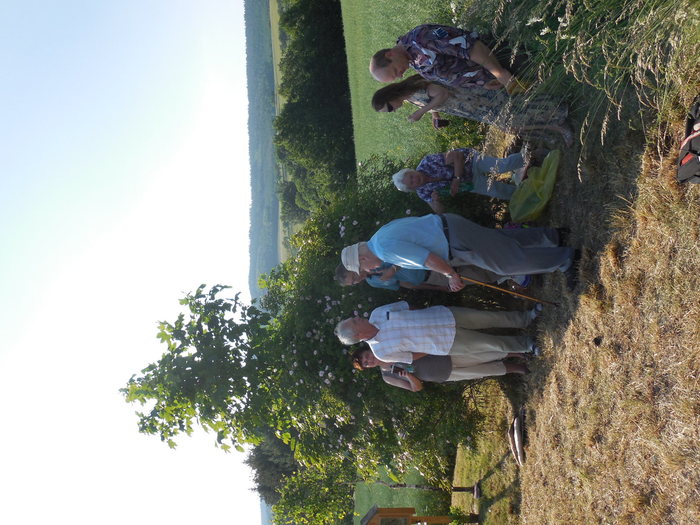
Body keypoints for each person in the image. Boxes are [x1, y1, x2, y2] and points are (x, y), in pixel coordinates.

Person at [340, 213, 573, 292]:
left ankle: (567, 259)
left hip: (454, 240)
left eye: (364, 268)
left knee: (506, 264)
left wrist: (451, 275)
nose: (369, 270)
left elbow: (428, 259)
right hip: (449, 227)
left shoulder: (384, 249)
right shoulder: (379, 236)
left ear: (362, 258)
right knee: (502, 240)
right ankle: (552, 236)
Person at [336, 301, 542, 390]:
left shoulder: (378, 313)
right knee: (491, 343)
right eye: (354, 322)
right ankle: (527, 345)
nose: (357, 317)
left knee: (489, 318)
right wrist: (431, 347)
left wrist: (426, 314)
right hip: (445, 342)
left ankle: (526, 317)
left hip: (442, 315)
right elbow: (411, 357)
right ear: (358, 335)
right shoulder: (381, 351)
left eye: (353, 318)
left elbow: (407, 306)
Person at [371, 75, 573, 145]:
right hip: (470, 108)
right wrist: (434, 115)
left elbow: (441, 93)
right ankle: (556, 123)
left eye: (389, 108)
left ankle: (558, 121)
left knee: (513, 118)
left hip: (474, 98)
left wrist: (421, 112)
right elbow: (434, 102)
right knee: (512, 121)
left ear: (389, 97)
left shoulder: (412, 89)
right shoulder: (409, 97)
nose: (392, 110)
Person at [369, 24, 519, 93]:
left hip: (507, 60)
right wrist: (483, 83)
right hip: (501, 77)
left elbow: (473, 47)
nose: (401, 75)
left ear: (389, 55)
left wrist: (500, 73)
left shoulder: (422, 39)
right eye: (397, 76)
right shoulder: (411, 60)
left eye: (396, 71)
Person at [392, 147, 541, 213]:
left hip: (471, 161)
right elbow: (440, 212)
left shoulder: (427, 162)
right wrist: (436, 201)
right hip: (469, 183)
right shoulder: (423, 192)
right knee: (499, 192)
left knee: (502, 166)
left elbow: (457, 156)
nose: (415, 179)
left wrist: (456, 178)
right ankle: (532, 195)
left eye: (411, 176)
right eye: (412, 183)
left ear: (411, 171)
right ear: (412, 188)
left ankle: (533, 155)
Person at [334, 262, 530, 292]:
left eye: (353, 277)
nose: (357, 281)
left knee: (474, 264)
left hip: (430, 262)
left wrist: (392, 269)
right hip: (430, 279)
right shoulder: (373, 283)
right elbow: (405, 284)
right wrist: (438, 287)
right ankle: (510, 272)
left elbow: (401, 256)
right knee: (475, 278)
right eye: (353, 283)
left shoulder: (372, 259)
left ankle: (513, 266)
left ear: (352, 268)